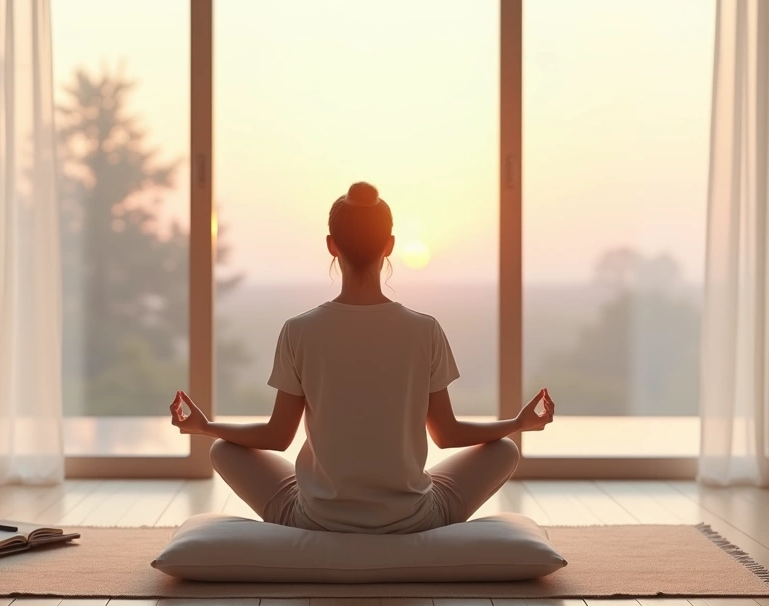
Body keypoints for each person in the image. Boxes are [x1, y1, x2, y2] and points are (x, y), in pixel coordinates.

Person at [169, 182, 554, 534]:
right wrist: (518, 422)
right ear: (389, 245)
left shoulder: (299, 330)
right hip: (413, 518)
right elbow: (447, 433)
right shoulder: (424, 329)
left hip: (317, 519)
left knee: (222, 447)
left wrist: (205, 427)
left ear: (331, 245)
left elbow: (277, 436)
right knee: (504, 448)